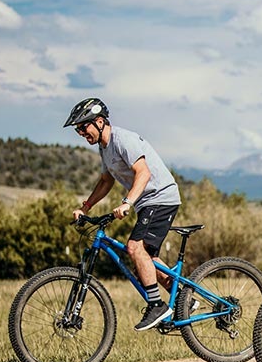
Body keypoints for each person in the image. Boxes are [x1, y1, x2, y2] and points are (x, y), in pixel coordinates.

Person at [64, 98, 183, 332]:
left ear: (99, 122)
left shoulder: (122, 139)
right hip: (147, 203)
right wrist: (86, 207)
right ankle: (183, 299)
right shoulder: (104, 147)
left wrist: (127, 202)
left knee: (134, 247)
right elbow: (106, 180)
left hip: (160, 198)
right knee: (146, 257)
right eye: (78, 129)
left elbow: (144, 173)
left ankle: (157, 305)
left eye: (82, 126)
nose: (80, 132)